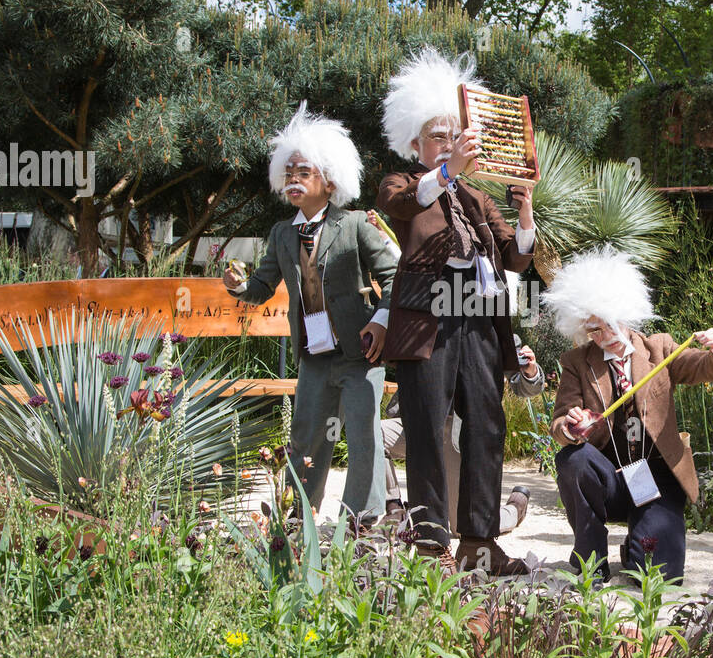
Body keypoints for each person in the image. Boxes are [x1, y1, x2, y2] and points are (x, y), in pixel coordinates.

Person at [377, 47, 536, 576]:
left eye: (453, 133)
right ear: (416, 144)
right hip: (428, 321)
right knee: (425, 427)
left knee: (487, 428)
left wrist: (526, 210)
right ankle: (429, 546)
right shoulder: (403, 183)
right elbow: (406, 207)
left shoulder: (477, 197)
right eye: (437, 136)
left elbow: (517, 255)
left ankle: (480, 543)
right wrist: (448, 170)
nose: (448, 142)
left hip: (481, 319)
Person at [224, 103, 398, 525]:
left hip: (360, 355)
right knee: (306, 438)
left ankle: (364, 522)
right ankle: (296, 516)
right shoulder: (282, 234)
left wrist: (379, 320)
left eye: (304, 172)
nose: (294, 180)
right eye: (289, 173)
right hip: (314, 355)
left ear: (329, 180)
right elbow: (262, 287)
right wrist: (238, 287)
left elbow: (396, 278)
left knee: (362, 437)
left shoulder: (356, 224)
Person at [542, 246, 713, 584]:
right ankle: (591, 559)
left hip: (656, 478)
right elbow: (559, 421)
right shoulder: (576, 362)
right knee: (572, 459)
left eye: (609, 324)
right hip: (610, 479)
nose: (604, 336)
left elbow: (704, 367)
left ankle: (635, 550)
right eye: (594, 330)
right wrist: (571, 426)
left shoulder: (660, 348)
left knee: (657, 576)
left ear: (626, 312)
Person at [381, 332, 541, 536]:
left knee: (463, 528)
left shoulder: (496, 333)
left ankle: (513, 511)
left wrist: (530, 371)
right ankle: (394, 509)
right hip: (418, 425)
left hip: (455, 433)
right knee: (375, 435)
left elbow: (524, 387)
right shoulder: (427, 322)